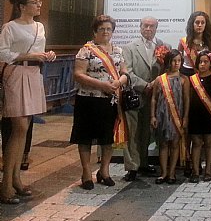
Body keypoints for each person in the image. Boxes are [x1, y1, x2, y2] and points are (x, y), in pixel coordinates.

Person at [0, 0, 56, 204]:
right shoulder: (10, 27)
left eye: (39, 1)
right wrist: (29, 55)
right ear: (22, 6)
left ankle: (16, 179)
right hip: (17, 74)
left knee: (25, 129)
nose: (39, 5)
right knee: (18, 128)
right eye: (34, 2)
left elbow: (39, 50)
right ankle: (6, 185)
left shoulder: (39, 27)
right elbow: (2, 52)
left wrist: (47, 55)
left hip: (34, 74)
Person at [70, 15, 129, 191]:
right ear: (95, 31)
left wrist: (119, 82)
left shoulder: (118, 51)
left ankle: (104, 171)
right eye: (102, 28)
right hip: (88, 100)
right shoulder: (86, 50)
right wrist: (101, 85)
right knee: (85, 137)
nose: (105, 32)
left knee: (107, 138)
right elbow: (78, 74)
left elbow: (125, 72)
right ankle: (86, 173)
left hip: (110, 101)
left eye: (109, 29)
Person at [121, 16, 170, 181]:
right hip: (135, 95)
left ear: (156, 28)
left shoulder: (164, 47)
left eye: (151, 26)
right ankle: (132, 167)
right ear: (140, 27)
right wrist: (145, 85)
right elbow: (127, 71)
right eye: (145, 26)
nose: (148, 29)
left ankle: (143, 163)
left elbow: (168, 70)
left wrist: (156, 85)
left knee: (147, 132)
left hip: (155, 97)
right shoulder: (129, 48)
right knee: (132, 132)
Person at [178, 10, 211, 175]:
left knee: (199, 125)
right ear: (191, 24)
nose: (199, 25)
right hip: (187, 82)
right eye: (197, 22)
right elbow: (177, 65)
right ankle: (186, 160)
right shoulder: (184, 42)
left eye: (202, 22)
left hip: (203, 83)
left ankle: (199, 162)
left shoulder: (208, 43)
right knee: (187, 124)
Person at [151, 49, 189, 184]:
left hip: (177, 116)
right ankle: (163, 173)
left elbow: (186, 99)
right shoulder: (160, 79)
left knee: (174, 144)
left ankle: (172, 173)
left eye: (179, 61)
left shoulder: (184, 79)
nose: (176, 63)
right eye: (174, 61)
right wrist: (152, 116)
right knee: (163, 144)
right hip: (162, 115)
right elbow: (154, 99)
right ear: (168, 62)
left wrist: (185, 117)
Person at [188, 50, 211, 183]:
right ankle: (195, 171)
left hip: (210, 115)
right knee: (196, 143)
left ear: (210, 63)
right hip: (195, 115)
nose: (202, 64)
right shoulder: (192, 79)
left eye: (205, 62)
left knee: (209, 144)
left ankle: (208, 170)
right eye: (200, 62)